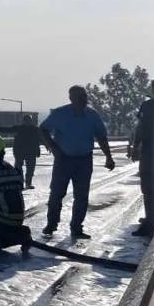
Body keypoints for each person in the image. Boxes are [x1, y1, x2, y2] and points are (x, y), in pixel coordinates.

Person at [39, 85, 115, 239]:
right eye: (77, 96)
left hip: (84, 160)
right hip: (63, 160)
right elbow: (43, 128)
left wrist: (108, 156)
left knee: (81, 196)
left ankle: (76, 228)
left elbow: (101, 136)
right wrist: (53, 147)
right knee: (56, 194)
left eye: (83, 96)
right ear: (71, 98)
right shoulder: (60, 114)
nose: (81, 99)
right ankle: (51, 224)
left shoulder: (93, 115)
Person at [131, 77, 154, 236]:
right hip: (149, 153)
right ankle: (150, 221)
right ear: (153, 90)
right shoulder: (147, 106)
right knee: (148, 188)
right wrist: (135, 146)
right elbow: (140, 127)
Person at [10, 115, 42, 189]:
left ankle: (28, 183)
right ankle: (19, 183)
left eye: (28, 120)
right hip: (19, 152)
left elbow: (39, 140)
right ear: (23, 121)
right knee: (18, 168)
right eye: (26, 120)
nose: (27, 122)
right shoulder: (19, 128)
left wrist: (39, 149)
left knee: (30, 169)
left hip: (31, 152)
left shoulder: (35, 129)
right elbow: (7, 129)